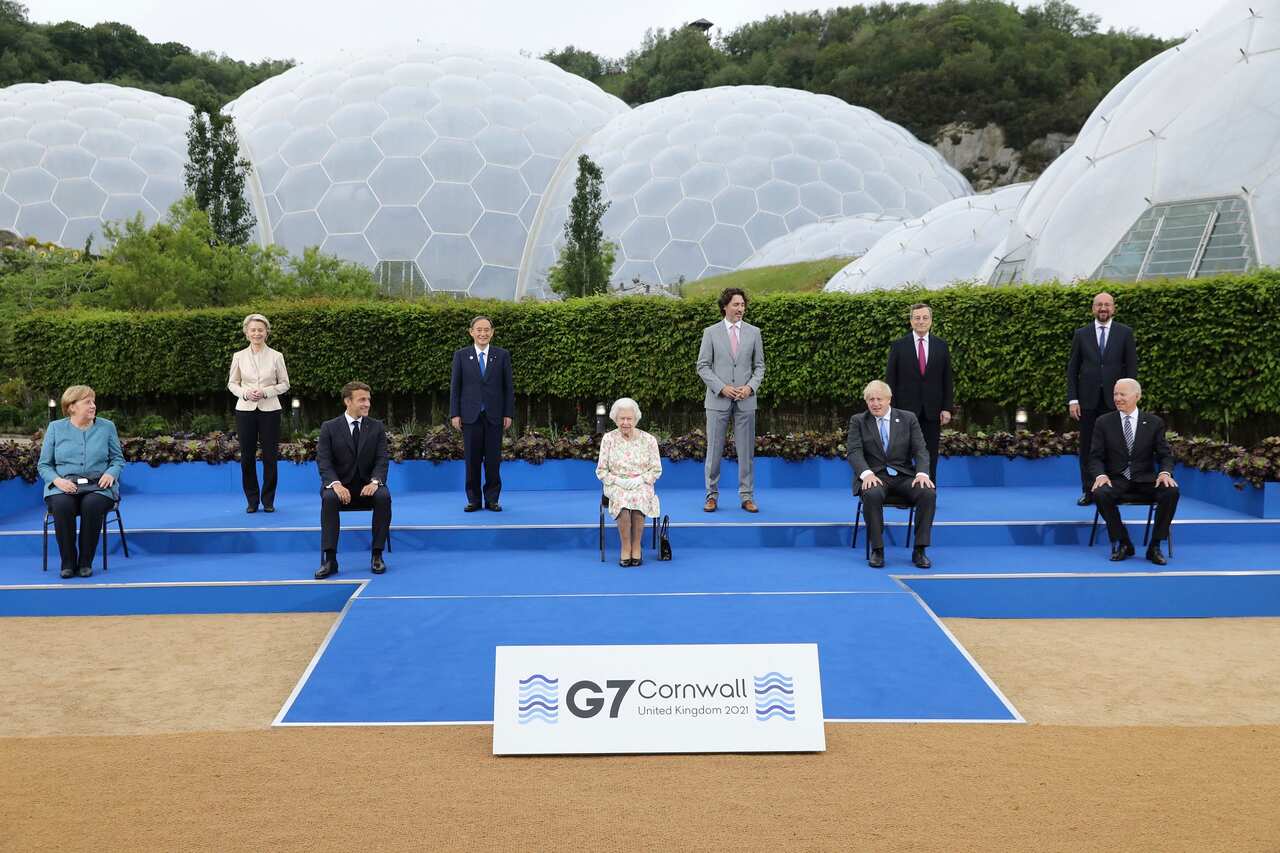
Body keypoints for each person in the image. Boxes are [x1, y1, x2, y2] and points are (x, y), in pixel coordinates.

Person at [846, 380, 937, 570]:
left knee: (927, 492)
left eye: (879, 399)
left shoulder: (908, 418)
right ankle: (877, 550)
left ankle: (920, 550)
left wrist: (922, 473)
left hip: (903, 476)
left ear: (889, 399)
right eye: (871, 399)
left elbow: (920, 449)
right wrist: (866, 474)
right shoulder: (858, 421)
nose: (875, 403)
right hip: (876, 476)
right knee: (871, 493)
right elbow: (854, 451)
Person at [1089, 378, 1179, 566]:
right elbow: (1095, 456)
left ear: (1137, 396)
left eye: (1122, 394)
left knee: (1170, 491)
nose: (1117, 398)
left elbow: (1165, 454)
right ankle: (1123, 542)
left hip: (1146, 480)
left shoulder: (1154, 422)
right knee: (1099, 492)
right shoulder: (1103, 422)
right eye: (1115, 394)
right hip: (1117, 479)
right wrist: (1101, 475)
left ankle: (1154, 546)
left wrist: (1165, 473)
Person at [37, 385, 124, 578]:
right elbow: (44, 465)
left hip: (99, 486)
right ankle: (67, 563)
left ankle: (85, 562)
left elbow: (118, 459)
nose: (93, 406)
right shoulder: (55, 428)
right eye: (87, 402)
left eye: (93, 401)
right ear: (71, 407)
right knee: (61, 504)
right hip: (64, 485)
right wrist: (57, 481)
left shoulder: (107, 427)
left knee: (92, 504)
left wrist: (111, 473)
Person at [696, 287, 765, 513]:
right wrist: (722, 388)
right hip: (717, 401)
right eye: (736, 305)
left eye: (743, 305)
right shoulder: (710, 333)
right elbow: (702, 366)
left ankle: (747, 496)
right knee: (714, 450)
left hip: (746, 401)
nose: (740, 309)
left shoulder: (754, 333)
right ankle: (711, 495)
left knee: (746, 452)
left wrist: (750, 387)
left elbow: (759, 367)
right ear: (724, 306)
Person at [315, 382, 391, 579]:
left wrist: (375, 482)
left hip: (367, 486)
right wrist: (336, 484)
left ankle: (377, 554)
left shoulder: (376, 427)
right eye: (362, 400)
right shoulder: (329, 428)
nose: (367, 404)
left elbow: (382, 459)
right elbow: (324, 461)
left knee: (383, 496)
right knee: (329, 498)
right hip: (340, 487)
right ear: (348, 401)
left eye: (368, 400)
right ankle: (330, 559)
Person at [1067, 292, 1136, 505]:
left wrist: (1130, 399)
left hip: (1116, 401)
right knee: (1088, 448)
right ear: (1093, 309)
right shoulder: (1081, 334)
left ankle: (1115, 491)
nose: (1103, 308)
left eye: (1107, 305)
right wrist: (1073, 400)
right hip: (1087, 402)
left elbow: (1131, 367)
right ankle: (1089, 492)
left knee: (1117, 447)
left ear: (1113, 308)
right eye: (1099, 305)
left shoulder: (1125, 333)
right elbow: (1072, 369)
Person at [449, 316, 514, 512]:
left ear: (492, 332)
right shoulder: (461, 355)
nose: (483, 333)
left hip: (495, 416)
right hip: (469, 416)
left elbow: (508, 388)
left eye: (487, 330)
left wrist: (508, 413)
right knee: (472, 460)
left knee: (493, 460)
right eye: (479, 330)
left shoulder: (502, 355)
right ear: (471, 332)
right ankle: (474, 500)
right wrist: (455, 414)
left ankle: (492, 498)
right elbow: (455, 387)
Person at [228, 313, 290, 513]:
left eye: (260, 330)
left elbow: (285, 384)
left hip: (270, 410)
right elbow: (232, 383)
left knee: (270, 456)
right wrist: (245, 393)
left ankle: (268, 500)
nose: (256, 333)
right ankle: (252, 501)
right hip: (245, 410)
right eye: (253, 330)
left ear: (266, 333)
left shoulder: (276, 356)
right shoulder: (238, 356)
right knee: (247, 456)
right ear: (246, 333)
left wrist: (266, 392)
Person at [885, 303, 954, 482]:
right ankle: (904, 492)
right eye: (917, 318)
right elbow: (891, 380)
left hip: (933, 411)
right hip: (904, 411)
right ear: (911, 321)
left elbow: (947, 379)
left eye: (925, 318)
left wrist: (947, 408)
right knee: (904, 453)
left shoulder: (941, 346)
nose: (921, 321)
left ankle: (928, 493)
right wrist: (890, 409)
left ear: (931, 321)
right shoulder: (898, 346)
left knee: (930, 453)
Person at [595, 397, 663, 567]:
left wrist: (640, 479)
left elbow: (656, 469)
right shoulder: (609, 439)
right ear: (615, 420)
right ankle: (625, 547)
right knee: (624, 501)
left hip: (641, 483)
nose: (625, 422)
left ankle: (636, 546)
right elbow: (601, 471)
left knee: (639, 498)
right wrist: (617, 480)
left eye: (629, 419)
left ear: (636, 419)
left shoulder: (649, 440)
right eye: (622, 419)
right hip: (616, 484)